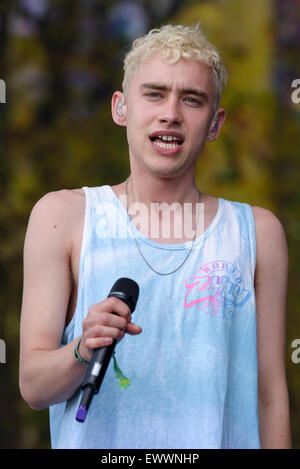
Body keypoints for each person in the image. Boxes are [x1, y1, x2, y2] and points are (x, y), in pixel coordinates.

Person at [19, 23, 291, 449]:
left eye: (192, 99)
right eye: (154, 93)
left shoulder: (257, 232)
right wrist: (81, 349)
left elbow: (270, 392)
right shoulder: (63, 217)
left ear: (215, 123)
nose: (171, 113)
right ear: (120, 107)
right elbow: (33, 388)